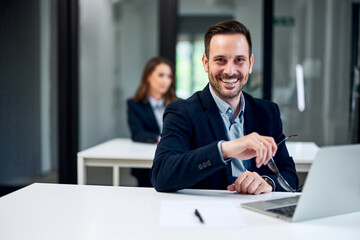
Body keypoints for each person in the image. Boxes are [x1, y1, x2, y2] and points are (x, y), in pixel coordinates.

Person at [150, 21, 298, 194]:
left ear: (250, 63)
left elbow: (290, 176)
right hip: (206, 215)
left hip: (257, 216)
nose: (229, 70)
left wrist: (268, 183)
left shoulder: (268, 112)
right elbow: (162, 175)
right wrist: (227, 149)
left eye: (239, 60)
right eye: (220, 60)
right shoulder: (182, 112)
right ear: (205, 63)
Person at [127, 56, 177, 187]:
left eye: (169, 76)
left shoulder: (178, 104)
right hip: (146, 164)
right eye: (161, 75)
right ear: (148, 77)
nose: (165, 81)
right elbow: (137, 133)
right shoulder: (135, 104)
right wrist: (159, 138)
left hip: (173, 161)